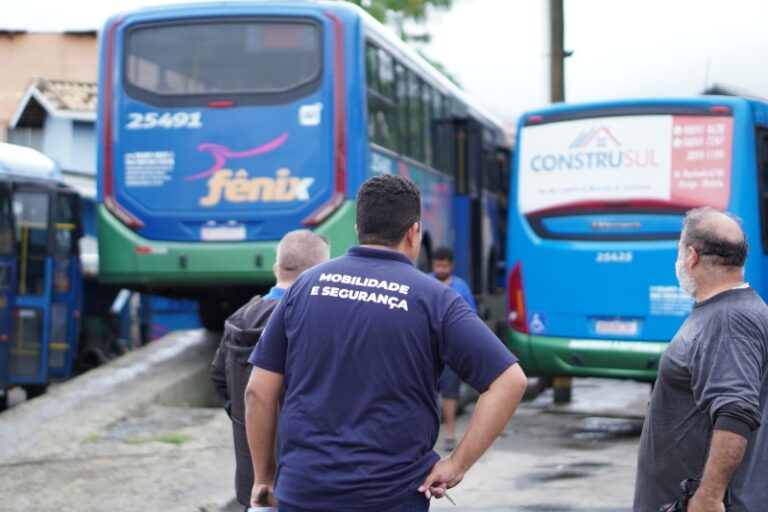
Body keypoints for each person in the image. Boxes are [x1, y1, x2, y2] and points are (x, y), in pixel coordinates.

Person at [245, 174, 527, 511]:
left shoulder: (304, 287)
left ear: (357, 229)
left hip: (304, 491)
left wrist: (265, 476)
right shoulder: (436, 299)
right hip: (392, 497)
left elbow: (257, 392)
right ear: (413, 232)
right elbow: (509, 381)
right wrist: (456, 464)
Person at [634, 207, 768, 512]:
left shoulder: (729, 320)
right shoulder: (733, 310)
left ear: (691, 255)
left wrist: (708, 497)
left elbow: (736, 411)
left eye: (680, 250)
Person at [209, 229, 330, 510]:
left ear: (276, 268)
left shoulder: (240, 317)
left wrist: (244, 419)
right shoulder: (308, 319)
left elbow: (218, 376)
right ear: (318, 273)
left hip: (253, 477)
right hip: (299, 476)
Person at [430, 246, 478, 451]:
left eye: (444, 265)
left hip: (450, 351)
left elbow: (471, 318)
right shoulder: (424, 282)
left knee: (450, 393)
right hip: (428, 349)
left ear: (452, 266)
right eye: (437, 265)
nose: (441, 269)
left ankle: (450, 433)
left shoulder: (461, 287)